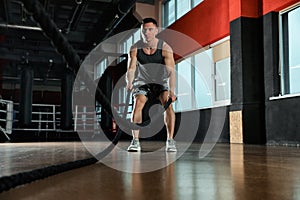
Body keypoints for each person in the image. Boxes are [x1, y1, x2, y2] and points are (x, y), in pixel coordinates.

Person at [125, 17, 177, 152]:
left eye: (150, 30)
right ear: (141, 32)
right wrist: (129, 82)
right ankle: (135, 141)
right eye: (144, 30)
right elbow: (131, 68)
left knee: (168, 104)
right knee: (138, 103)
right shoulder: (135, 48)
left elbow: (171, 72)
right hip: (142, 82)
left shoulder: (165, 48)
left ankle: (170, 141)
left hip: (160, 82)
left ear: (156, 31)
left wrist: (172, 91)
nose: (147, 33)